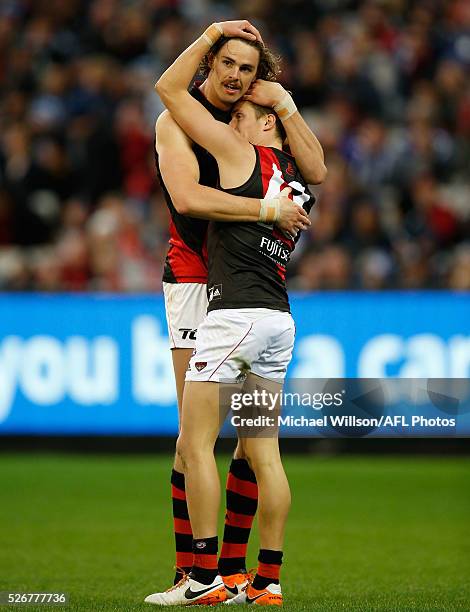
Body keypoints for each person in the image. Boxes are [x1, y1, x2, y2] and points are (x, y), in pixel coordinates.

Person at [145, 21, 320, 606]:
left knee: (244, 444)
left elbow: (315, 168)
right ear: (209, 64)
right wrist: (268, 212)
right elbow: (190, 199)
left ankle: (233, 574)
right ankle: (190, 573)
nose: (236, 77)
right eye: (227, 64)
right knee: (193, 439)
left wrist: (285, 107)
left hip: (240, 295)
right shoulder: (179, 123)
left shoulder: (248, 132)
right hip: (195, 283)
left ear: (256, 81)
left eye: (247, 69)